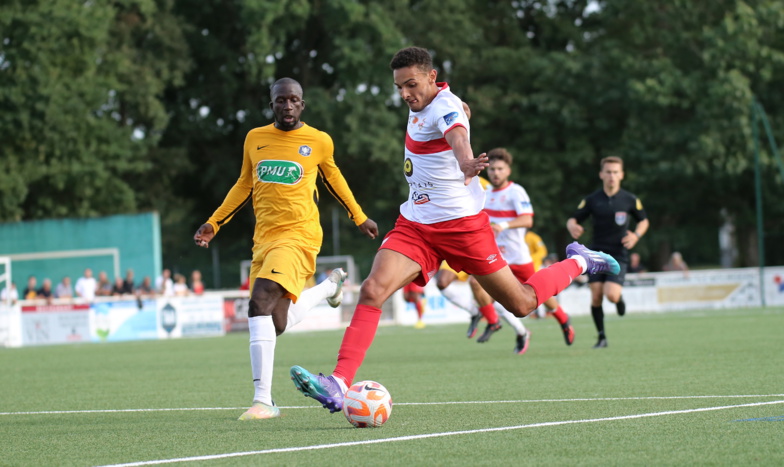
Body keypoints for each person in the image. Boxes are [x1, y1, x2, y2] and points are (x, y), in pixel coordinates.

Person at [289, 46, 618, 414]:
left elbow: (457, 134)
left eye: (411, 85)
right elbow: (455, 113)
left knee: (522, 303)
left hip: (463, 228)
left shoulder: (445, 107)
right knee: (372, 289)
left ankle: (580, 261)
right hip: (416, 225)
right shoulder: (430, 101)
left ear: (432, 77)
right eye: (399, 87)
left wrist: (465, 160)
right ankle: (338, 383)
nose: (405, 94)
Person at [193, 77, 378, 421]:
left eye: (294, 100)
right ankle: (329, 287)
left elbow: (335, 180)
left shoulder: (318, 140)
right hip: (263, 239)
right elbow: (244, 184)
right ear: (272, 105)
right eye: (281, 100)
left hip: (299, 235)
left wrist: (359, 216)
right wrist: (214, 223)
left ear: (302, 105)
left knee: (259, 300)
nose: (288, 105)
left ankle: (263, 401)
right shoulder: (255, 138)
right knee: (273, 322)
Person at [473, 147, 576, 351]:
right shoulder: (485, 194)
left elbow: (527, 220)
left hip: (518, 256)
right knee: (476, 284)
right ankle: (495, 322)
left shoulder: (516, 191)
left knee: (539, 295)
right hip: (496, 256)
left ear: (508, 171)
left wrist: (503, 225)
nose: (495, 173)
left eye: (500, 169)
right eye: (492, 169)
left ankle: (563, 319)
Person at [566, 156, 649, 348]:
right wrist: (572, 226)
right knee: (596, 295)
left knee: (611, 295)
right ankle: (601, 337)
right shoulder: (592, 200)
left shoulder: (629, 199)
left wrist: (636, 235)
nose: (612, 176)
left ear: (622, 175)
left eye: (615, 172)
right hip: (596, 254)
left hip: (618, 254)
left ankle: (619, 300)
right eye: (608, 172)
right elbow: (573, 219)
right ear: (601, 174)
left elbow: (644, 221)